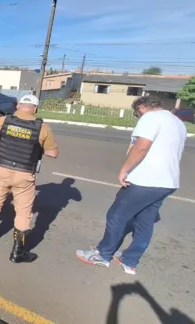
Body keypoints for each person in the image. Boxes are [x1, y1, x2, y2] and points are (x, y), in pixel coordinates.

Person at [76, 95, 186, 275]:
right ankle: (130, 260)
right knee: (144, 221)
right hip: (168, 181)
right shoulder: (177, 122)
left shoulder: (150, 118)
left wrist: (124, 170)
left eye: (137, 113)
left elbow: (142, 146)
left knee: (116, 215)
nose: (138, 117)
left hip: (145, 180)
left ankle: (103, 254)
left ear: (142, 107)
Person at [0, 94, 59, 263]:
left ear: (18, 106)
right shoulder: (42, 127)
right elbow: (53, 153)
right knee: (23, 213)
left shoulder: (2, 120)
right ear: (35, 109)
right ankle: (18, 253)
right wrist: (37, 148)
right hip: (24, 175)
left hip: (1, 170)